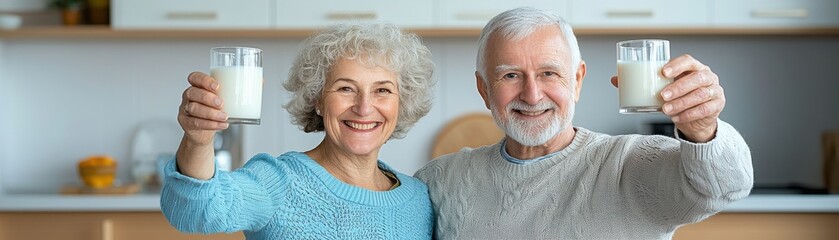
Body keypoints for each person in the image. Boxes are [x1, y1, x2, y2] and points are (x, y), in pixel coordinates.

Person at [414, 7, 753, 239]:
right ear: (484, 89)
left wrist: (703, 127)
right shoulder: (442, 179)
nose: (532, 95)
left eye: (549, 73)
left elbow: (725, 187)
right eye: (511, 75)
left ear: (577, 81)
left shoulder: (631, 164)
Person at [161, 22, 436, 239]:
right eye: (345, 88)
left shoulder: (419, 199)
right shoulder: (278, 181)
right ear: (317, 99)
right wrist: (197, 141)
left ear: (401, 102)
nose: (364, 107)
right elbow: (196, 211)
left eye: (382, 90)